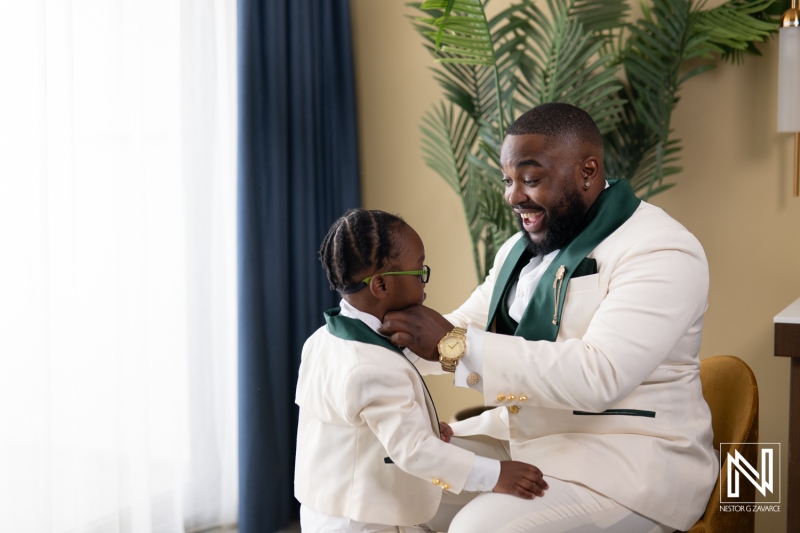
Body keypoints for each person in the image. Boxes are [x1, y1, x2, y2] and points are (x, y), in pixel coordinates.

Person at [379, 103, 719, 533]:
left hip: (628, 465)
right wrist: (366, 341)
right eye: (508, 180)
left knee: (480, 529)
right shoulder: (517, 250)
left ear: (588, 171)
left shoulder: (662, 249)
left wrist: (454, 345)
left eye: (531, 179)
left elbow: (600, 375)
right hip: (522, 443)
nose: (513, 196)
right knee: (388, 481)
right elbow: (453, 331)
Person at [294, 208, 549, 533]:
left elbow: (352, 424)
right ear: (381, 286)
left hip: (325, 508)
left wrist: (422, 423)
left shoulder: (321, 340)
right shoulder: (371, 365)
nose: (425, 282)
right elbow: (413, 451)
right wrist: (497, 475)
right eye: (419, 272)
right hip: (366, 521)